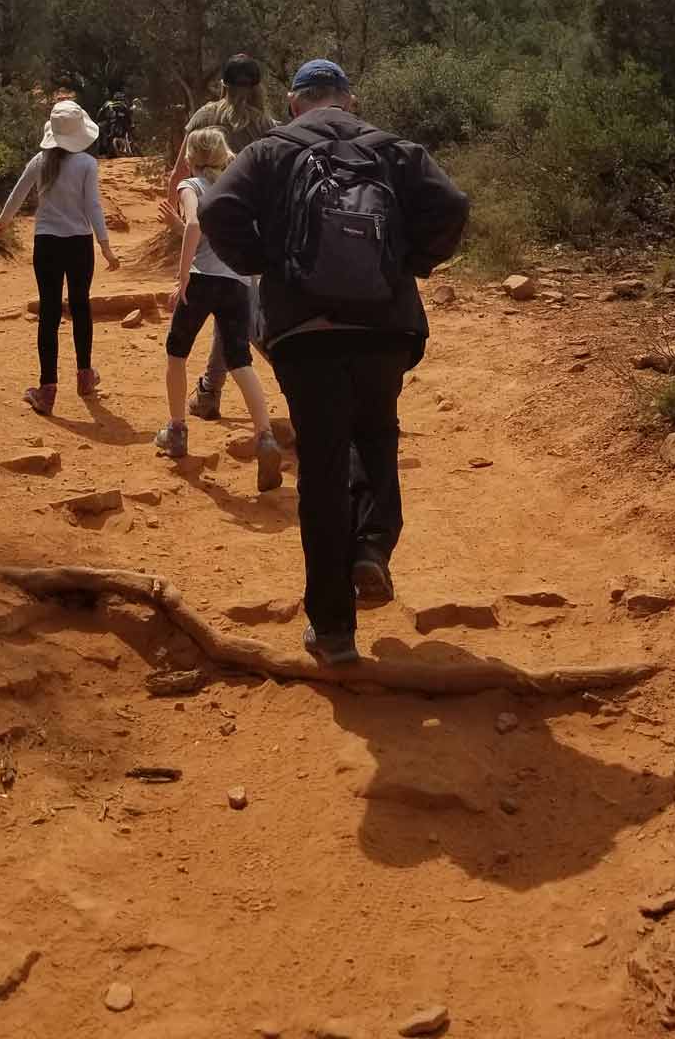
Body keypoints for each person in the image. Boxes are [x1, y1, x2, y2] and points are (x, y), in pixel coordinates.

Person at [198, 58, 469, 667]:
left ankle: (333, 629)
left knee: (321, 468)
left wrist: (269, 264)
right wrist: (410, 263)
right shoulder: (393, 150)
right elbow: (452, 204)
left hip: (303, 331)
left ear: (296, 104)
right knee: (377, 437)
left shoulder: (270, 152)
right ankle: (371, 547)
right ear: (349, 99)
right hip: (385, 326)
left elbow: (216, 213)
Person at [155, 125, 283, 493]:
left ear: (192, 158)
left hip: (201, 279)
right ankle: (265, 437)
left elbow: (196, 226)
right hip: (236, 282)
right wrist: (176, 225)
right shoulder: (236, 189)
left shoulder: (191, 186)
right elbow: (206, 236)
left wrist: (181, 278)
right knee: (240, 361)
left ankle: (177, 431)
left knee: (176, 352)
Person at [162, 55, 275, 421]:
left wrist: (178, 216)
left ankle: (210, 392)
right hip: (251, 232)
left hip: (206, 232)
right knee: (237, 310)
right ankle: (211, 390)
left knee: (239, 322)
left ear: (222, 85)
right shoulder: (269, 127)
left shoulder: (205, 117)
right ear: (258, 87)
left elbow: (179, 171)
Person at [0, 98, 120, 416]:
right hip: (79, 243)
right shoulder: (87, 165)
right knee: (81, 305)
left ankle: (47, 389)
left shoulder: (40, 161)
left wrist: (3, 222)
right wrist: (105, 245)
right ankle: (85, 376)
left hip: (47, 243)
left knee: (49, 312)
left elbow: (18, 193)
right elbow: (93, 206)